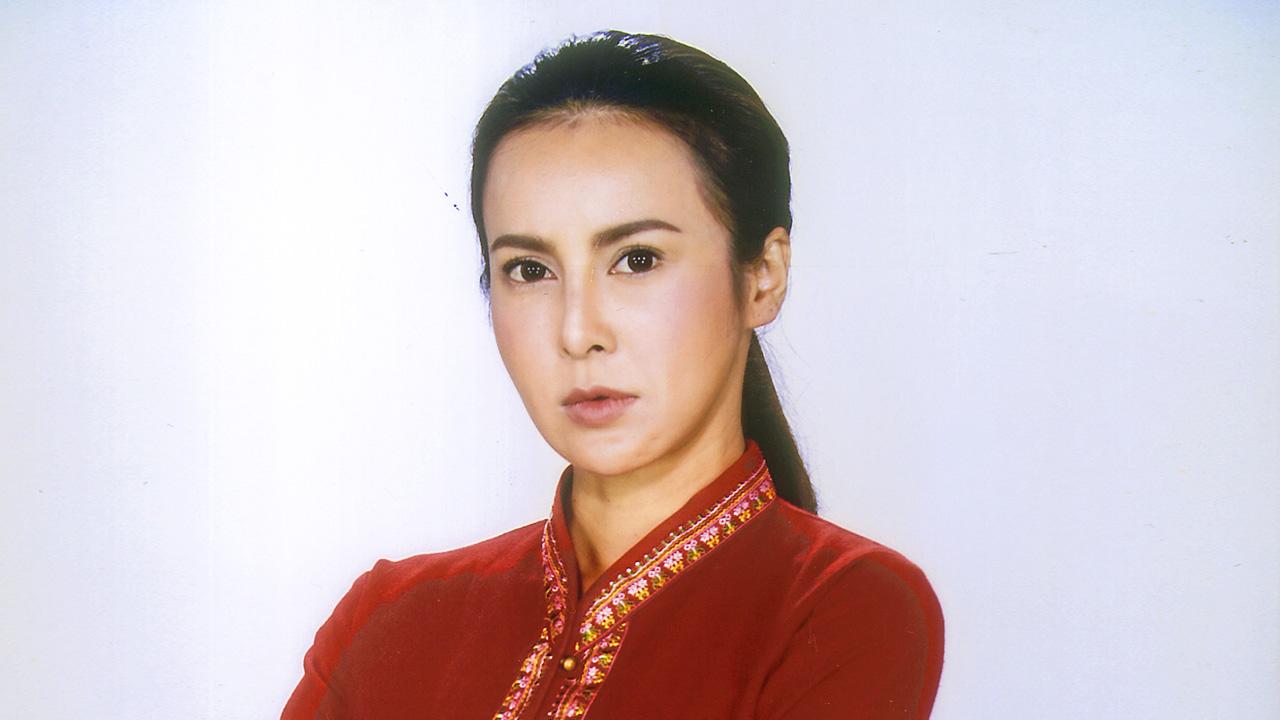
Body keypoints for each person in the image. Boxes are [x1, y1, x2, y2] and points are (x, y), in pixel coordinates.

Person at [282, 29, 944, 719]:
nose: (578, 333)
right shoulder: (391, 616)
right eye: (529, 270)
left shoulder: (844, 607)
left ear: (762, 276)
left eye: (637, 260)